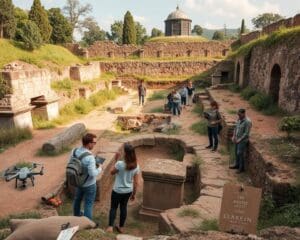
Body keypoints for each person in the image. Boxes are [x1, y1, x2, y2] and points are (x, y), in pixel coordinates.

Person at [107, 144, 140, 233]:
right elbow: (136, 183)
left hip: (117, 190)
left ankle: (110, 227)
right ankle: (121, 227)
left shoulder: (120, 164)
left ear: (125, 153)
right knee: (123, 207)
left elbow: (112, 172)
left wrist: (116, 160)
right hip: (128, 191)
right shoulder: (136, 166)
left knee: (113, 207)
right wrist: (133, 194)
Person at [71, 133, 101, 220]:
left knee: (77, 200)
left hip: (78, 181)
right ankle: (87, 224)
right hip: (89, 184)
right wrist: (99, 168)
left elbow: (71, 163)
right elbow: (92, 173)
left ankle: (76, 216)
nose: (95, 144)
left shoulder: (74, 151)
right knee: (88, 204)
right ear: (89, 143)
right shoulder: (90, 157)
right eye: (94, 142)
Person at [229, 109, 252, 173]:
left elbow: (246, 133)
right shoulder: (239, 119)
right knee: (236, 152)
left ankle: (241, 168)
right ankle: (236, 165)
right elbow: (236, 128)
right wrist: (234, 136)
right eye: (238, 114)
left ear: (243, 113)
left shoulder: (247, 122)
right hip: (237, 138)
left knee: (240, 153)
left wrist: (240, 139)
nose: (238, 116)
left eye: (239, 114)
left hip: (243, 140)